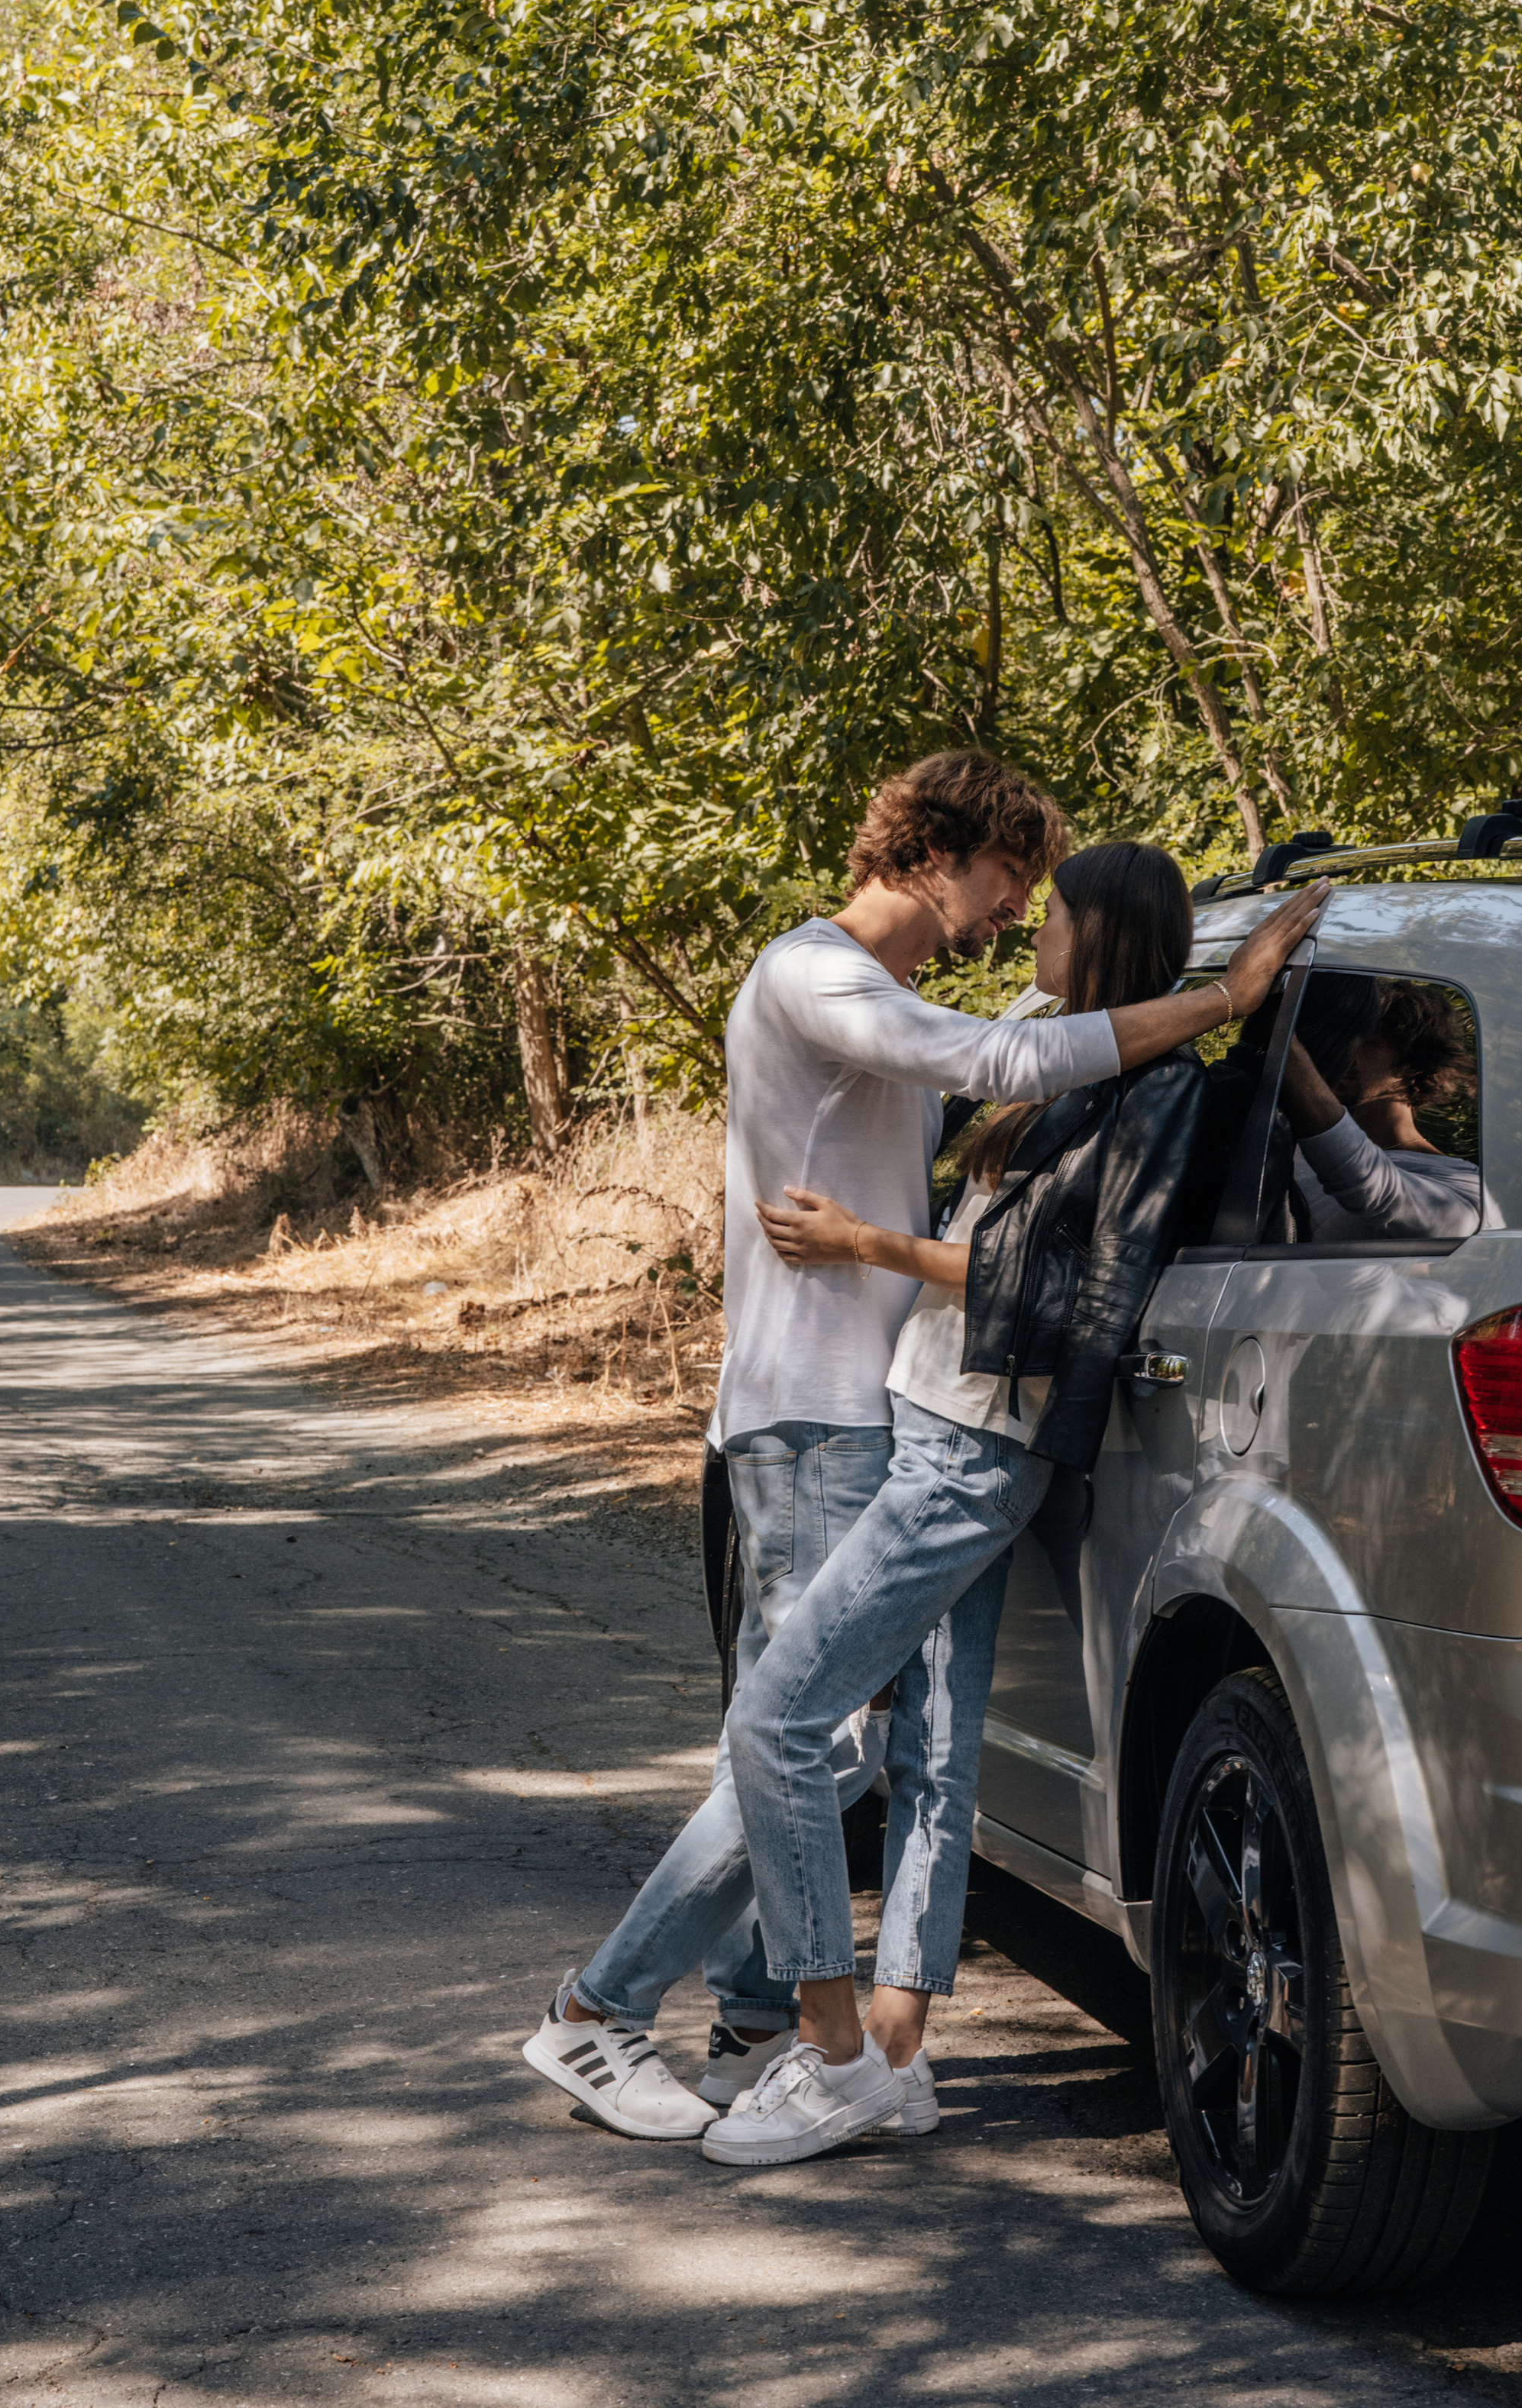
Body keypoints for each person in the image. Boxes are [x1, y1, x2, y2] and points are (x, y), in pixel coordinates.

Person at [521, 760, 1323, 2143]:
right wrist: (1224, 999)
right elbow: (1008, 1068)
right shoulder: (815, 976)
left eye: (1040, 897)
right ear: (938, 852)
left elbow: (1040, 1086)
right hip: (818, 1408)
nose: (1016, 909)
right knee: (816, 1741)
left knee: (824, 1742)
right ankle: (609, 2010)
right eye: (1011, 877)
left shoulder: (893, 997)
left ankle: (756, 2022)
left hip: (880, 1407)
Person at [1281, 977, 1498, 1241]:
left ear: (1414, 1063)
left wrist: (1282, 1037)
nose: (1342, 1052)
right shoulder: (1293, 1143)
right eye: (1339, 1040)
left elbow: (1374, 1191)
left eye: (1366, 1041)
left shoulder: (1464, 1186)